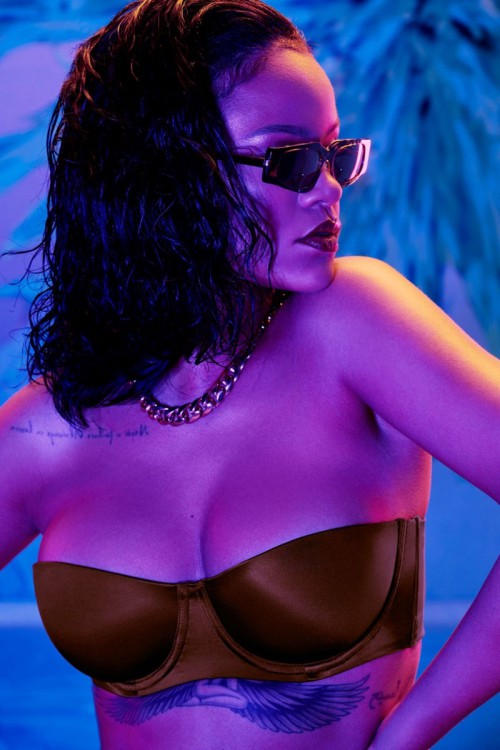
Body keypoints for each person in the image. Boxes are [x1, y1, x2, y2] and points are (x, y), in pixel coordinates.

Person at [1, 1, 498, 748]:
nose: (328, 189)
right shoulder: (52, 426)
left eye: (336, 154)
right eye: (290, 160)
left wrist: (407, 736)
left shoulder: (350, 324)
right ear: (166, 172)